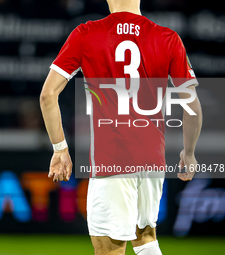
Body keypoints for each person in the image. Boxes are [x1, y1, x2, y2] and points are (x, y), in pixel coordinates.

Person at [40, 0, 202, 254]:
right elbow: (192, 105)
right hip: (152, 159)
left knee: (109, 249)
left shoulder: (86, 33)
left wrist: (60, 149)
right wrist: (189, 153)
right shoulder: (167, 38)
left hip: (111, 157)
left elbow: (48, 95)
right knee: (146, 238)